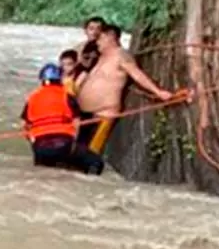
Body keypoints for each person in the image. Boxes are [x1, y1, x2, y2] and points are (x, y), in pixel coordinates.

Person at [75, 23, 180, 152]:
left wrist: (158, 92)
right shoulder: (100, 56)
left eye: (100, 38)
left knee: (89, 153)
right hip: (83, 112)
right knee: (75, 150)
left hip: (103, 113)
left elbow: (137, 75)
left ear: (110, 37)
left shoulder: (121, 55)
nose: (97, 42)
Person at [20, 63, 104, 175]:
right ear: (60, 79)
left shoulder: (32, 98)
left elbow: (24, 124)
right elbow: (76, 123)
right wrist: (73, 142)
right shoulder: (66, 96)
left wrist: (33, 140)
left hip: (40, 148)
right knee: (96, 162)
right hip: (64, 145)